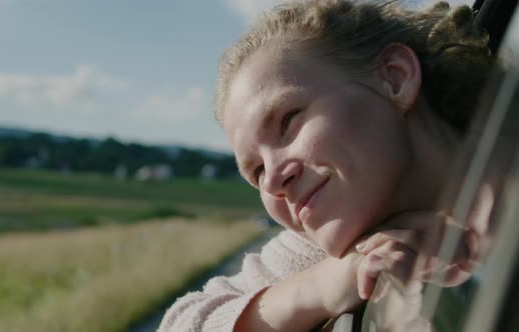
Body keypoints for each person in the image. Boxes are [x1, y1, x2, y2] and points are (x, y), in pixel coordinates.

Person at [158, 0, 494, 331]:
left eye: (289, 120)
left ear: (395, 77)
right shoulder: (319, 248)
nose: (273, 180)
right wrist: (322, 287)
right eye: (257, 171)